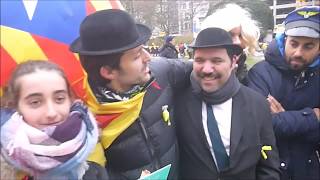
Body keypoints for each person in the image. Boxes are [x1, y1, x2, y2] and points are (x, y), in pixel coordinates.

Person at [69, 9, 192, 179]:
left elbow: (202, 69)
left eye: (144, 49)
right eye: (136, 56)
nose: (148, 57)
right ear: (108, 72)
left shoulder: (162, 72)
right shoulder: (81, 116)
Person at [175, 27, 281, 179]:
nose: (206, 69)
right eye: (199, 60)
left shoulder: (257, 104)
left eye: (216, 61)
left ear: (233, 62)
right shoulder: (179, 102)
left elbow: (268, 166)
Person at [247, 6, 320, 180]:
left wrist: (284, 119)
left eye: (308, 46)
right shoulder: (260, 73)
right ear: (285, 39)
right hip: (270, 170)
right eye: (294, 44)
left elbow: (276, 124)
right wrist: (313, 117)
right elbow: (260, 125)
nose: (298, 53)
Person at [0, 60, 100, 179]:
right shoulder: (6, 167)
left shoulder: (91, 145)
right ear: (15, 107)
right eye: (35, 102)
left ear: (70, 100)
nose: (51, 113)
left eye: (59, 99)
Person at [201, 3, 261, 84]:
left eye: (240, 36)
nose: (237, 41)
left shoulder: (250, 76)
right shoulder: (196, 72)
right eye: (230, 34)